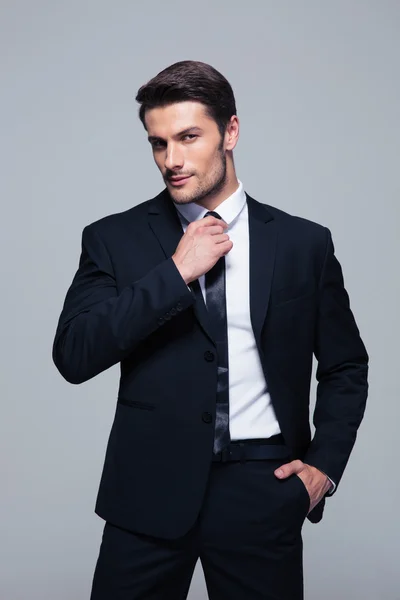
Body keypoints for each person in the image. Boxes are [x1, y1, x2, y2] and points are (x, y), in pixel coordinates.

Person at [52, 60, 369, 600]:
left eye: (188, 137)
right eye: (158, 143)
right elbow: (75, 355)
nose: (171, 160)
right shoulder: (112, 238)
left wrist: (323, 469)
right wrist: (175, 273)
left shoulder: (303, 244)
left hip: (263, 490)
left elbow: (346, 366)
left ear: (231, 132)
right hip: (146, 493)